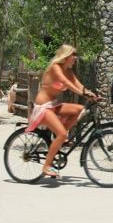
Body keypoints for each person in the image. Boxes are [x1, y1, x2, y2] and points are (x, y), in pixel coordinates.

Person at [26, 44, 98, 179]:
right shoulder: (55, 67)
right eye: (73, 55)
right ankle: (46, 165)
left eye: (76, 55)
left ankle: (61, 138)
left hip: (53, 105)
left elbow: (79, 85)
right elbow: (66, 82)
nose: (75, 57)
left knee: (79, 109)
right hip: (43, 107)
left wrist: (90, 93)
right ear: (66, 56)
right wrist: (83, 94)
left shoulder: (69, 71)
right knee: (62, 134)